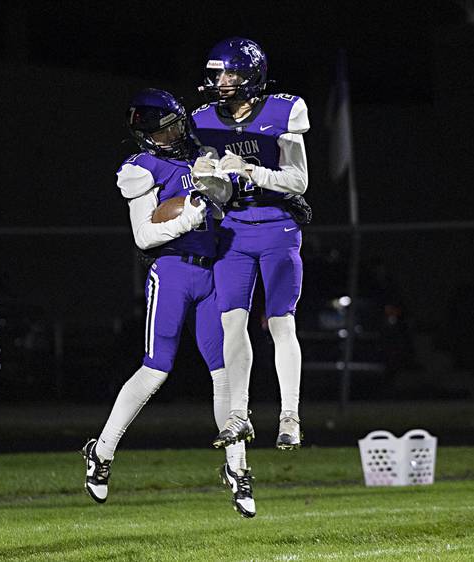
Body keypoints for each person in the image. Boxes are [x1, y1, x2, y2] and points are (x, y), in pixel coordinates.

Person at [82, 88, 255, 518]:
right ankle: (101, 453)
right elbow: (143, 236)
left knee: (225, 371)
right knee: (156, 368)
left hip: (212, 271)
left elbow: (228, 202)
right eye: (165, 131)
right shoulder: (142, 168)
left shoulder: (202, 155)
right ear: (147, 136)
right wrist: (188, 217)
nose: (175, 134)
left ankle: (237, 469)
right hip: (174, 271)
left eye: (177, 125)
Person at [190, 37, 311, 450]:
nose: (221, 81)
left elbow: (298, 181)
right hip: (235, 230)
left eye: (229, 73)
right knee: (231, 322)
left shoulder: (282, 111)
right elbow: (221, 195)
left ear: (249, 76)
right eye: (217, 74)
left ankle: (290, 416)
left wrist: (252, 171)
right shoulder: (204, 119)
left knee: (281, 323)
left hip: (277, 225)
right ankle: (238, 414)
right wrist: (207, 179)